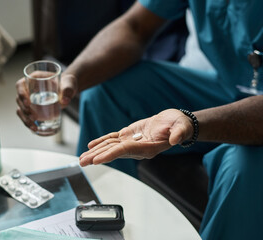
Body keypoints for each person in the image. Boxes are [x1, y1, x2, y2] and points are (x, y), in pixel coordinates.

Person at [16, 1, 263, 239]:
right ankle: (93, 227)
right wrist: (70, 78)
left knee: (243, 167)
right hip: (223, 89)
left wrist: (191, 123)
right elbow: (135, 26)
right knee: (105, 92)